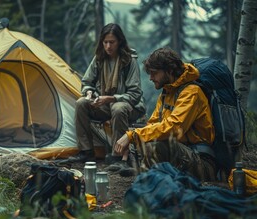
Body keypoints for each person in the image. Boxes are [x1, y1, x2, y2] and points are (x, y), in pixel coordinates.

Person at [115, 47, 216, 181]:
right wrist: (133, 139)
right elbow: (153, 125)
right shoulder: (166, 94)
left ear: (169, 70)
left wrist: (133, 136)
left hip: (201, 162)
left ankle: (151, 183)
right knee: (145, 137)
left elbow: (174, 128)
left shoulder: (192, 92)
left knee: (156, 145)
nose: (151, 78)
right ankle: (147, 175)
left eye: (154, 73)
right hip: (181, 156)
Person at [67, 23, 146, 165]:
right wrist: (89, 92)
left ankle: (119, 156)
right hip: (105, 104)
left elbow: (135, 94)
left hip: (130, 106)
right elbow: (87, 82)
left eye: (112, 42)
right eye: (105, 42)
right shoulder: (99, 58)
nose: (108, 46)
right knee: (81, 103)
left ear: (119, 42)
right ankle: (86, 152)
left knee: (118, 107)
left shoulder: (129, 60)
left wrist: (111, 98)